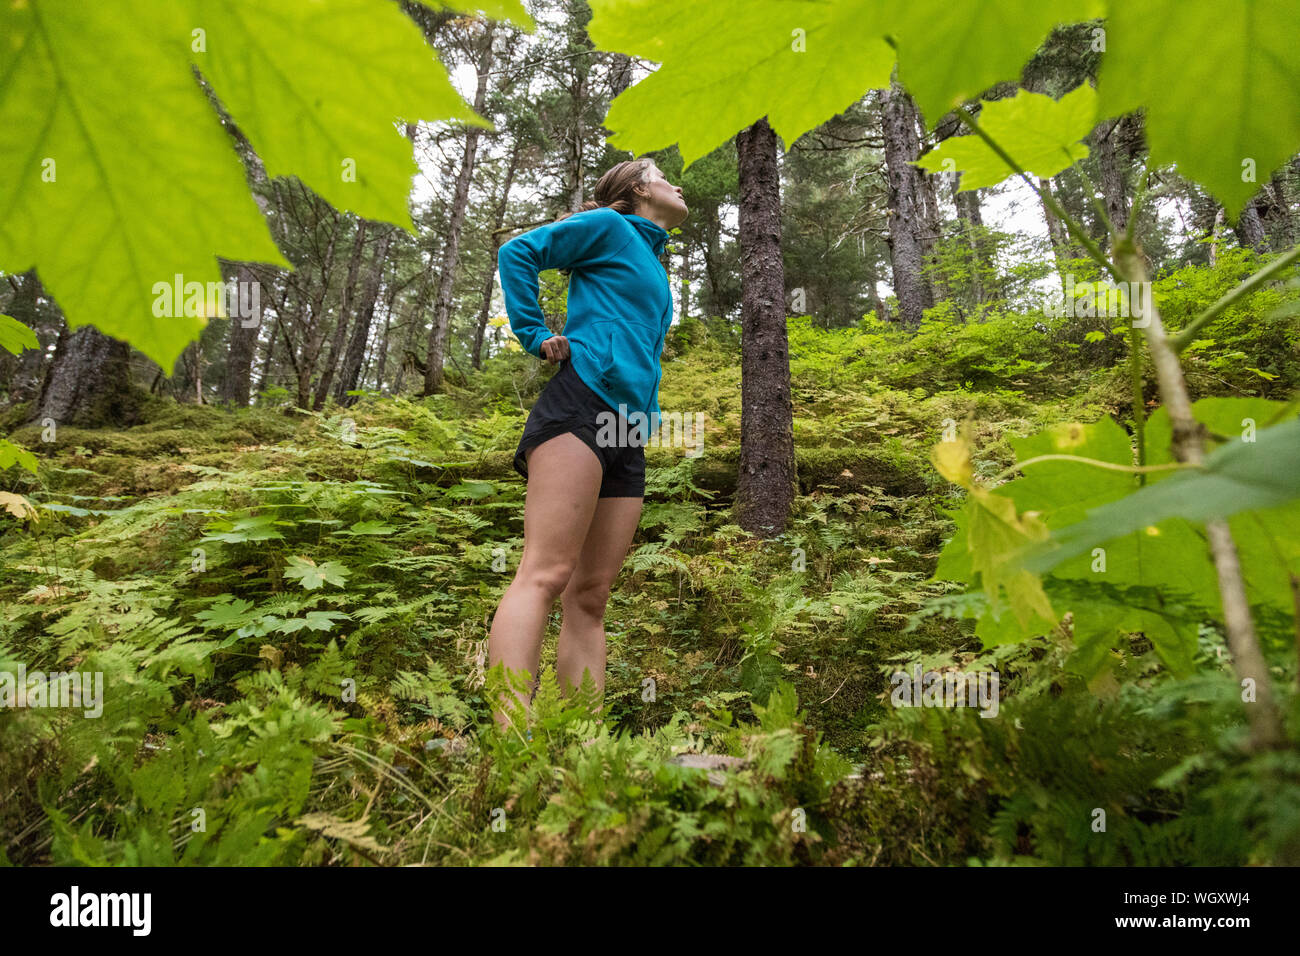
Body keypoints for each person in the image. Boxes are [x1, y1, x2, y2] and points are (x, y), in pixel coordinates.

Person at [487, 158, 689, 730]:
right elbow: (517, 253)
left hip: (627, 430)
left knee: (592, 594)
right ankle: (510, 738)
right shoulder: (608, 226)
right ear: (638, 189)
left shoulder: (651, 258)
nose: (678, 185)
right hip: (581, 403)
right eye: (665, 175)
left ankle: (584, 743)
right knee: (546, 573)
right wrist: (533, 334)